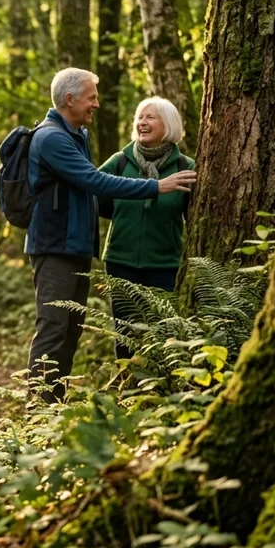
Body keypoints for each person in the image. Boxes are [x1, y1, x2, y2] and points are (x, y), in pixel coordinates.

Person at [24, 68, 196, 402]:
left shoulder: (76, 135)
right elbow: (95, 184)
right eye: (91, 97)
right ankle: (40, 409)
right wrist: (154, 188)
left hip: (77, 248)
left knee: (70, 330)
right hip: (56, 246)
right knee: (55, 327)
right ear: (70, 99)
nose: (97, 104)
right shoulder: (52, 138)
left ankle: (53, 405)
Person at [98, 97, 194, 359]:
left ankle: (159, 394)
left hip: (165, 264)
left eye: (150, 117)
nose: (142, 122)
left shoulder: (185, 167)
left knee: (164, 335)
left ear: (169, 123)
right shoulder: (119, 162)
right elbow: (94, 197)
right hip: (120, 260)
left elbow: (194, 218)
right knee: (125, 334)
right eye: (140, 117)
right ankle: (128, 392)